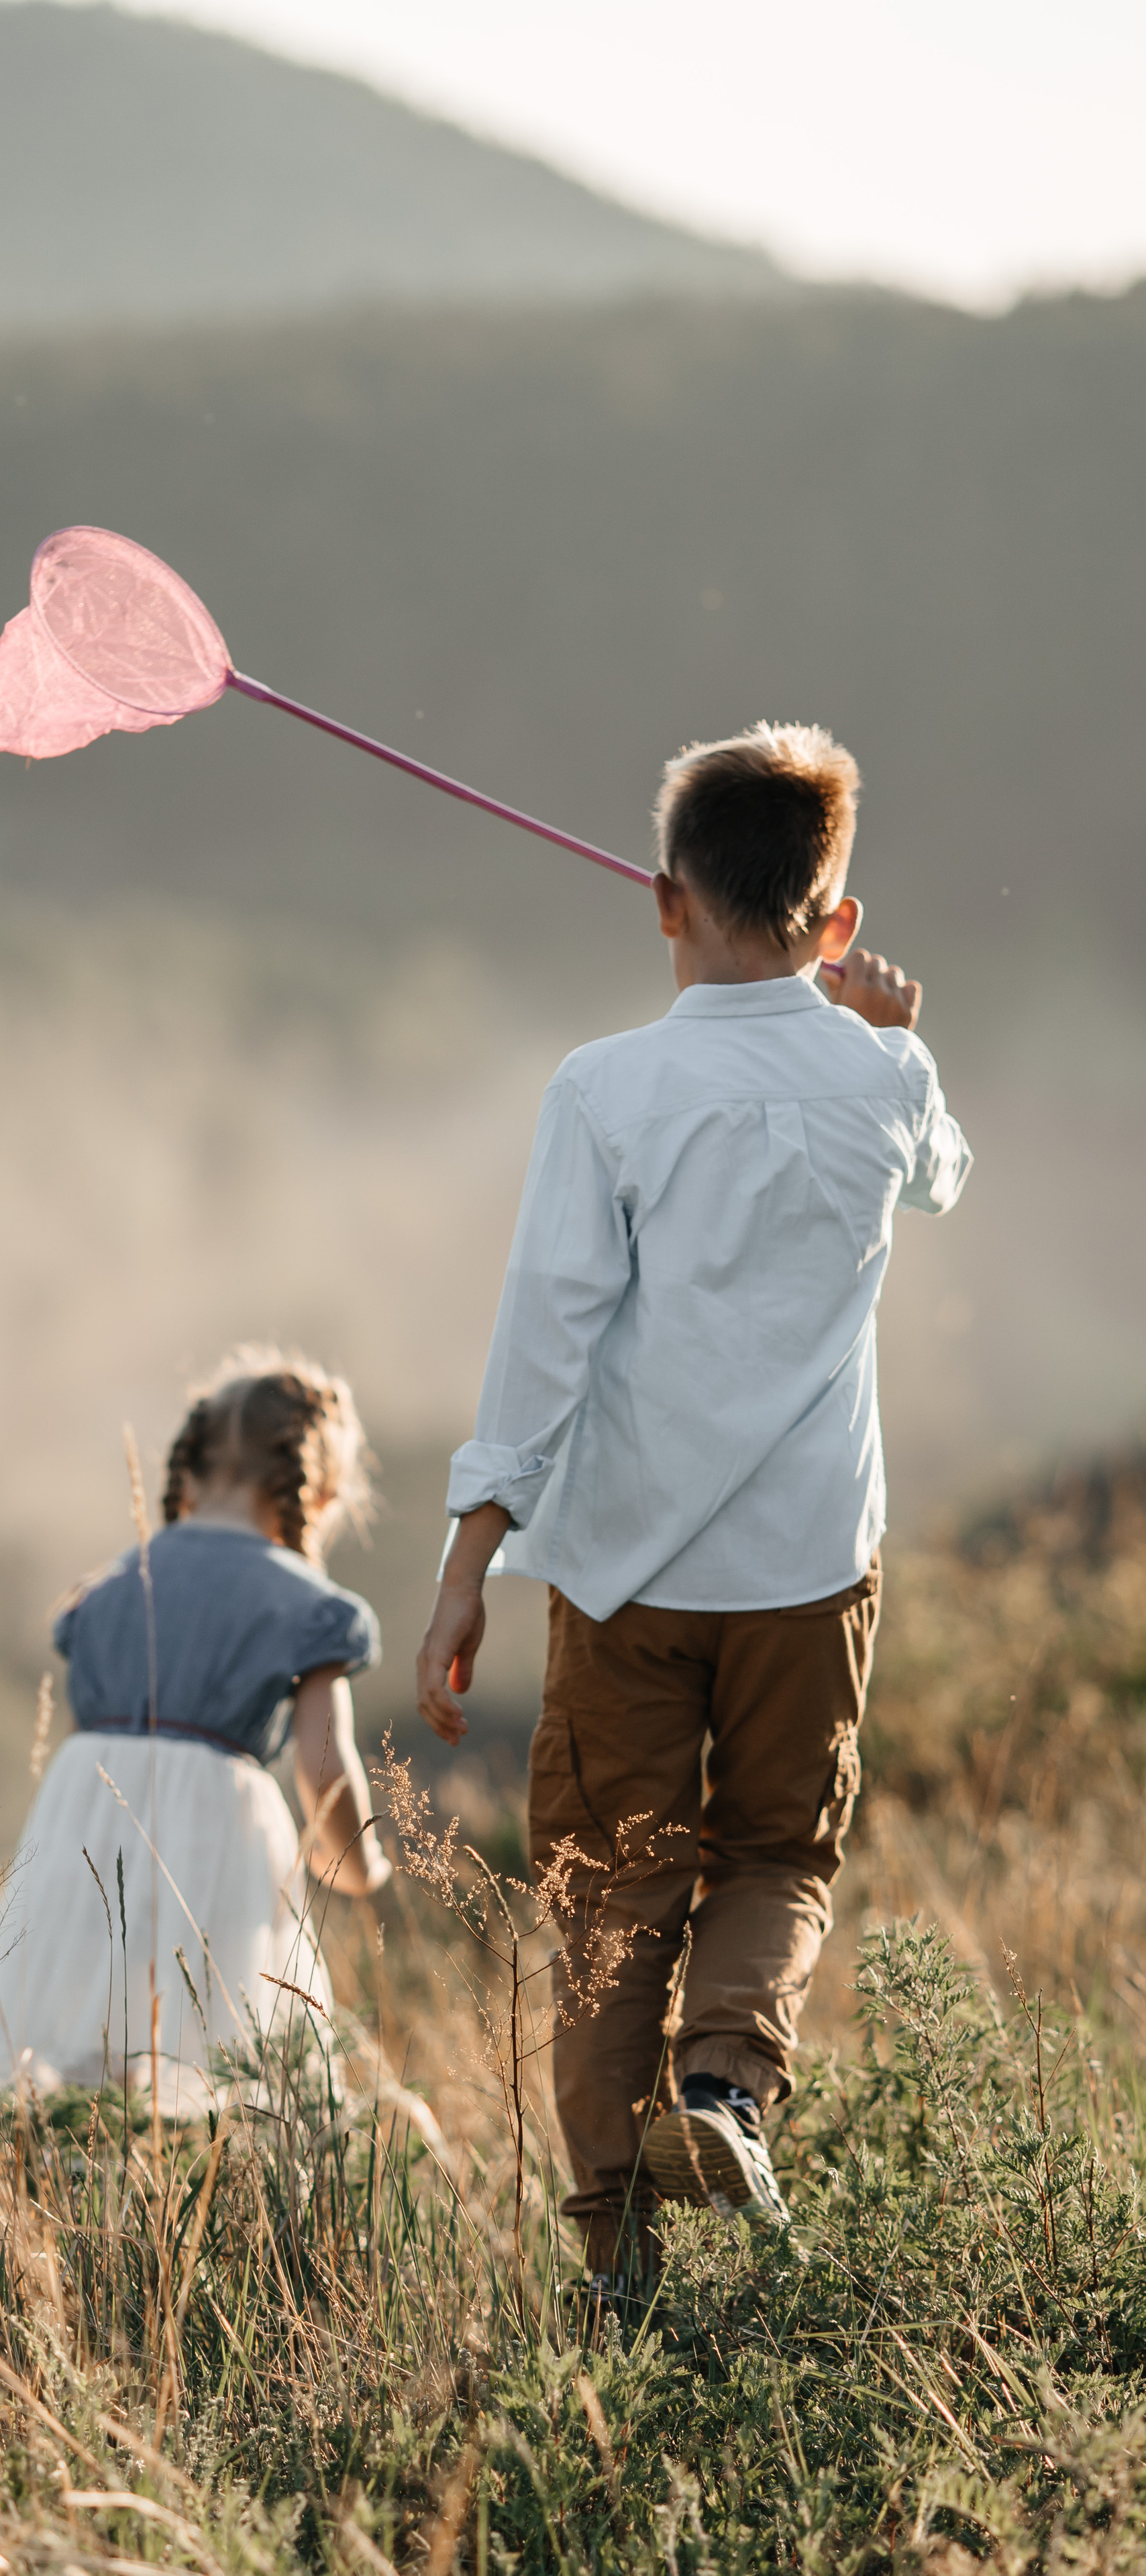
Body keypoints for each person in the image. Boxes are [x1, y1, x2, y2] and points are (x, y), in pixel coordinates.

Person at [415, 722, 971, 2282]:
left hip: (625, 1572)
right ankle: (724, 2082)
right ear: (836, 920)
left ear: (663, 901)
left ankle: (615, 2264)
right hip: (808, 1564)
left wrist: (467, 1560)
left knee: (611, 1898)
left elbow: (543, 1334)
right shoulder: (880, 1075)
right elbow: (940, 1171)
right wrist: (892, 1031)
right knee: (775, 1855)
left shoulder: (603, 1090)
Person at [0, 1348, 391, 2118]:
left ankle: (67, 2175)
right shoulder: (311, 1606)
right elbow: (324, 1767)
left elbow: (91, 1736)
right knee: (218, 2061)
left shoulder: (106, 1589)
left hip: (85, 1821)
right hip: (218, 1826)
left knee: (83, 2053)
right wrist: (357, 1865)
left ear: (188, 1471)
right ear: (320, 1494)